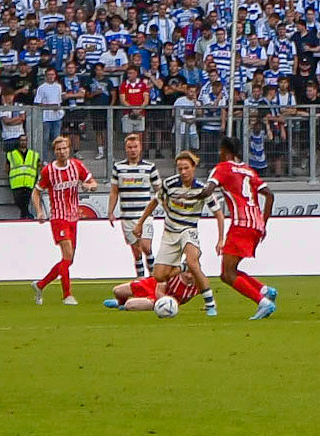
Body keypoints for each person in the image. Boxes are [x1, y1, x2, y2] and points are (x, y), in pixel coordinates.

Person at [106, 146, 218, 317]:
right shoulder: (170, 184)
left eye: (186, 168)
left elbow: (218, 213)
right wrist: (140, 224)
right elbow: (154, 202)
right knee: (156, 276)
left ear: (193, 167)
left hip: (188, 230)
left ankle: (210, 304)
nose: (183, 171)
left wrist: (221, 238)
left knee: (192, 261)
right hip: (170, 232)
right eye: (180, 168)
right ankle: (124, 299)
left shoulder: (202, 189)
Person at [209, 136, 278, 319]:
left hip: (241, 224)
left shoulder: (222, 168)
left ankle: (263, 303)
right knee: (230, 270)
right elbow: (269, 195)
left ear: (224, 151)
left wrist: (189, 196)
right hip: (256, 225)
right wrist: (264, 222)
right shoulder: (248, 170)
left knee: (227, 274)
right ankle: (265, 290)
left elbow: (208, 190)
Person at [32, 132, 93, 305]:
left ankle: (41, 284)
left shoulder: (77, 166)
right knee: (67, 254)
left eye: (65, 148)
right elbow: (36, 192)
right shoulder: (49, 171)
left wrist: (90, 186)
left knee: (69, 259)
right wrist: (40, 211)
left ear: (69, 149)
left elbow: (92, 182)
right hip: (58, 218)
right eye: (58, 149)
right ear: (54, 152)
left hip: (74, 217)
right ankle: (67, 295)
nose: (62, 151)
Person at [108, 130, 160, 280]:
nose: (133, 150)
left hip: (145, 216)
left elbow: (160, 190)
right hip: (127, 216)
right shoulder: (118, 168)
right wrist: (110, 212)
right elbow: (114, 192)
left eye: (135, 147)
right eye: (130, 147)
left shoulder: (150, 167)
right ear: (126, 149)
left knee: (146, 246)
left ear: (140, 147)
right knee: (136, 251)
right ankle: (141, 280)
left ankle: (154, 278)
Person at [5, 135, 41, 219]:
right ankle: (27, 215)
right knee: (18, 201)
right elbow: (7, 168)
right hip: (16, 183)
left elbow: (39, 166)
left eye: (25, 140)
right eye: (21, 140)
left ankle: (25, 216)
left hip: (29, 182)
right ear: (18, 142)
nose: (23, 142)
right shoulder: (11, 154)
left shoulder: (33, 154)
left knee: (26, 202)